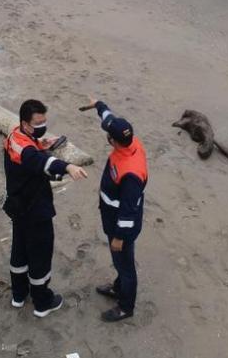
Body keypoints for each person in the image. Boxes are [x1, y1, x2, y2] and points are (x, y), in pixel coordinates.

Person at [3, 99, 88, 317]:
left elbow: (32, 154)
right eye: (38, 122)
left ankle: (19, 295)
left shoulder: (16, 135)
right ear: (26, 123)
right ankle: (42, 302)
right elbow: (43, 164)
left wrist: (41, 144)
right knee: (40, 254)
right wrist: (68, 166)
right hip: (34, 209)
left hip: (17, 206)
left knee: (19, 251)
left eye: (44, 121)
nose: (43, 125)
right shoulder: (27, 152)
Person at [88, 96, 148, 322]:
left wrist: (120, 237)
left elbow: (129, 211)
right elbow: (109, 119)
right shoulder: (131, 141)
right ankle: (117, 287)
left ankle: (126, 306)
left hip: (120, 224)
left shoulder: (131, 173)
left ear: (112, 141)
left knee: (125, 265)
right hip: (111, 215)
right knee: (120, 262)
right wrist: (98, 105)